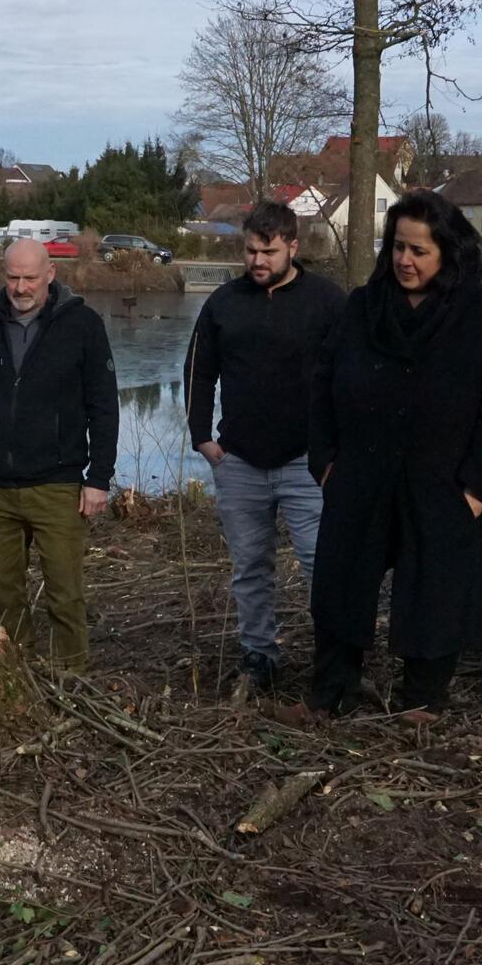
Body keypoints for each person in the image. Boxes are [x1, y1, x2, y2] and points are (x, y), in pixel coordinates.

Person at [294, 190, 482, 724]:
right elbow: (323, 384)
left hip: (442, 479)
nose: (405, 260)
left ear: (447, 252)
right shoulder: (363, 307)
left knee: (435, 586)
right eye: (398, 247)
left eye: (419, 251)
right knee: (339, 582)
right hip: (359, 472)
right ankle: (330, 690)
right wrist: (325, 461)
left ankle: (422, 699)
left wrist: (475, 489)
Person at [184, 200, 347, 695]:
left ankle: (335, 656)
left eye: (268, 252)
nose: (257, 261)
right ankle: (259, 655)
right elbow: (197, 371)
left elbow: (350, 376)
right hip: (239, 460)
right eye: (251, 250)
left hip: (306, 461)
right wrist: (202, 438)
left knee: (323, 561)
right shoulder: (223, 303)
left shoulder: (325, 301)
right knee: (250, 566)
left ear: (293, 247)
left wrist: (339, 449)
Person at [0, 239, 117, 670]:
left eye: (30, 278)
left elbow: (104, 405)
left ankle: (71, 677)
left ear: (51, 275)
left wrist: (99, 478)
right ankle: (17, 672)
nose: (20, 288)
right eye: (12, 277)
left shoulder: (84, 326)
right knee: (3, 592)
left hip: (57, 484)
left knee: (64, 591)